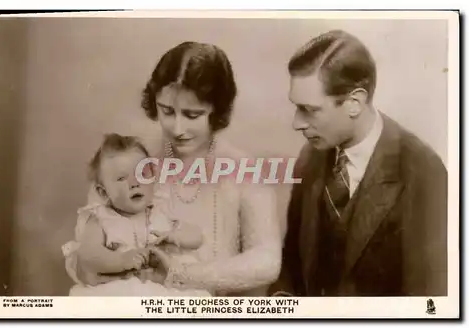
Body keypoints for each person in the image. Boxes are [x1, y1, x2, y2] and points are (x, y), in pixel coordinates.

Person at [269, 30, 447, 296]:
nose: (297, 123)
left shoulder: (423, 172)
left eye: (310, 109)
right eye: (296, 107)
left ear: (355, 102)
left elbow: (429, 304)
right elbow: (292, 270)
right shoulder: (310, 159)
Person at [138, 41, 282, 296]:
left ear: (216, 111)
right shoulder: (139, 161)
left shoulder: (244, 169)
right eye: (167, 111)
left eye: (193, 115)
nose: (177, 128)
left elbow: (267, 261)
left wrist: (179, 276)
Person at [61, 133, 210, 296]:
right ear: (103, 193)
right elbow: (88, 255)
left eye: (142, 174)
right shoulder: (101, 219)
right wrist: (121, 260)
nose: (134, 183)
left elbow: (197, 238)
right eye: (121, 178)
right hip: (119, 289)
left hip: (158, 288)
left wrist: (173, 237)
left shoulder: (159, 212)